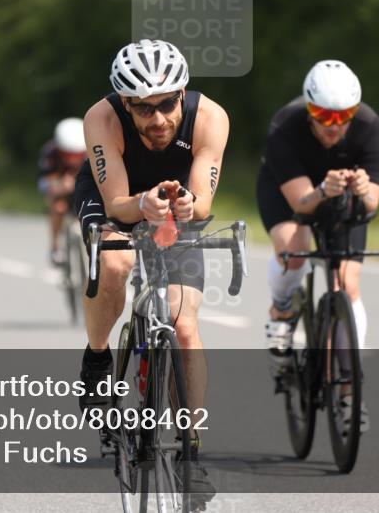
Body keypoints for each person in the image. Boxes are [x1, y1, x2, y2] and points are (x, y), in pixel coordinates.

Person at [74, 39, 229, 502]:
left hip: (177, 205)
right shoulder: (100, 119)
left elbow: (203, 201)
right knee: (116, 261)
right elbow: (117, 203)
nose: (158, 119)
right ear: (125, 104)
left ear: (182, 93)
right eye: (142, 109)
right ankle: (98, 356)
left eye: (166, 104)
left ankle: (190, 452)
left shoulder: (211, 117)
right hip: (116, 195)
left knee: (184, 326)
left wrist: (186, 206)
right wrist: (141, 204)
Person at [256, 60, 379, 432]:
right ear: (309, 109)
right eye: (323, 116)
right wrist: (320, 190)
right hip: (291, 193)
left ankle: (349, 385)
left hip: (341, 199)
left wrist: (362, 191)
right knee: (294, 248)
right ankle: (282, 308)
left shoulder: (371, 129)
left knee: (347, 283)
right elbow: (300, 204)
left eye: (343, 116)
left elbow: (374, 202)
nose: (334, 126)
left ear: (356, 111)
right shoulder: (285, 127)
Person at [37, 117, 87, 265]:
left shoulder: (92, 151)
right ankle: (56, 246)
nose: (71, 161)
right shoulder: (50, 153)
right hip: (60, 193)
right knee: (58, 207)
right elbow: (42, 182)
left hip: (83, 191)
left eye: (76, 155)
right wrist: (58, 186)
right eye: (67, 155)